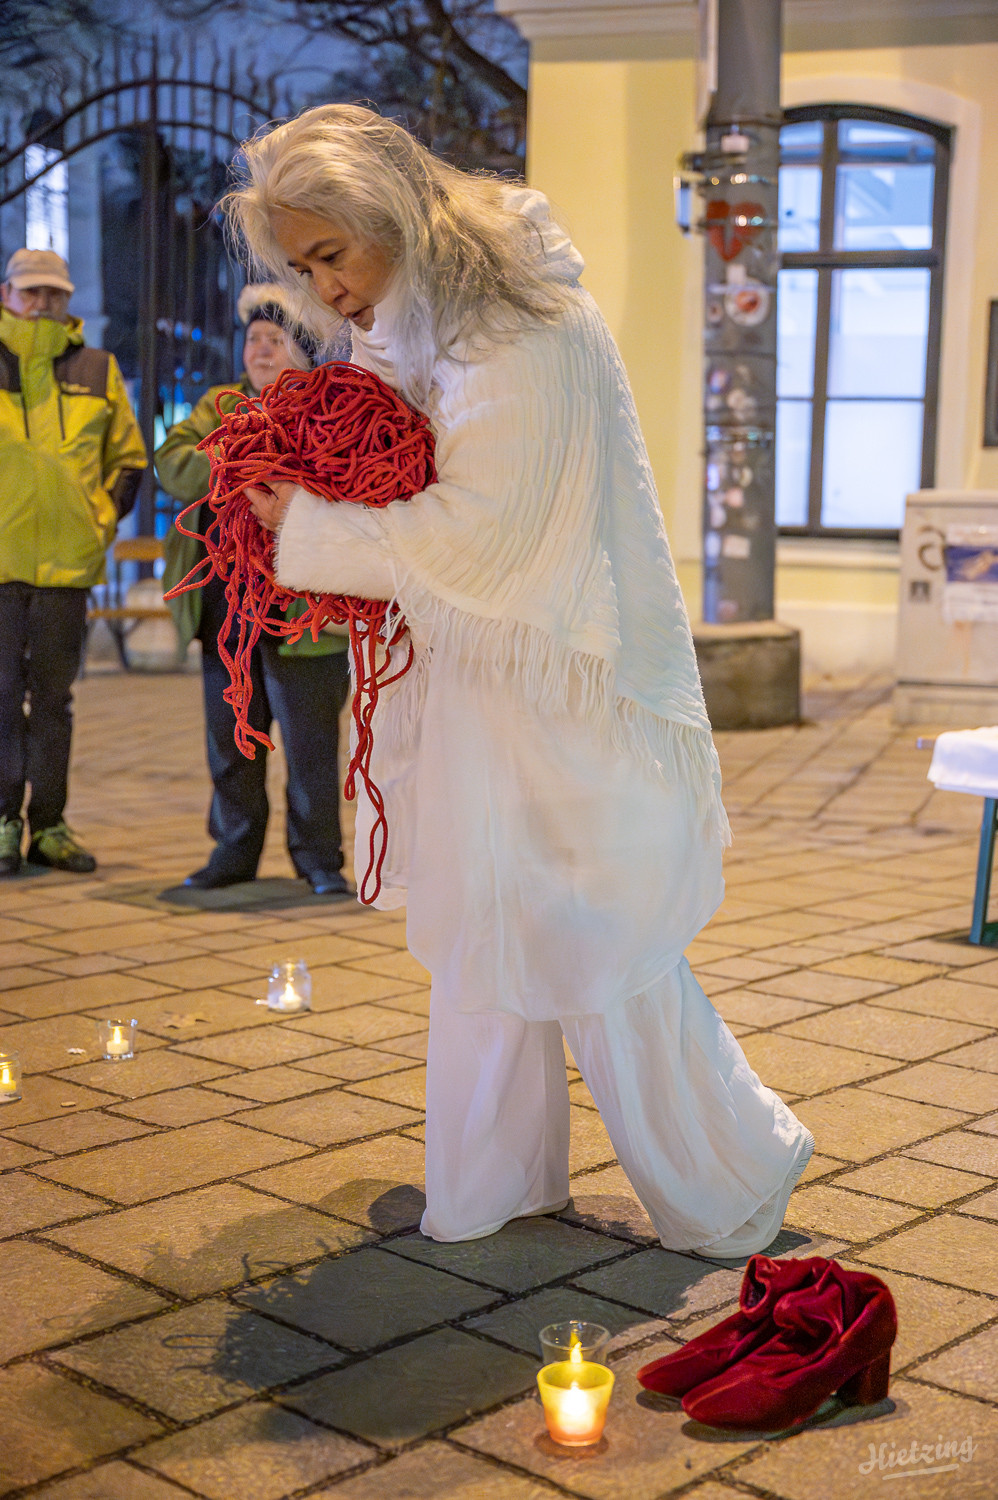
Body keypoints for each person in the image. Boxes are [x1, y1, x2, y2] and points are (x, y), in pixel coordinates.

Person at [230, 104, 814, 1254]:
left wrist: (314, 525)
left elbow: (488, 534)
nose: (324, 290)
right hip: (487, 682)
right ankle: (487, 1184)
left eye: (330, 256)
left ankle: (731, 1173)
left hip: (557, 686)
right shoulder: (425, 315)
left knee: (594, 941)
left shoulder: (514, 321)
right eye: (302, 270)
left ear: (387, 217)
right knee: (482, 926)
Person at [156, 284, 351, 896]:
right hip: (226, 611)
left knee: (311, 744)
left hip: (304, 613)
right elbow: (173, 464)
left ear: (303, 350)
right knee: (230, 740)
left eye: (276, 339)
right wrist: (240, 456)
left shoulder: (329, 411)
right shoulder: (220, 406)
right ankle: (233, 851)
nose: (261, 350)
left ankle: (319, 860)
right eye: (253, 339)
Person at [0, 248, 146, 878]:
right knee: (2, 699)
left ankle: (50, 824)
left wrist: (99, 524)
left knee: (54, 701)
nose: (42, 304)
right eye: (31, 292)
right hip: (2, 567)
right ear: (7, 294)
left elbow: (129, 460)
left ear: (68, 298)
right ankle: (3, 821)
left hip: (68, 567)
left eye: (54, 293)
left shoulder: (97, 367)